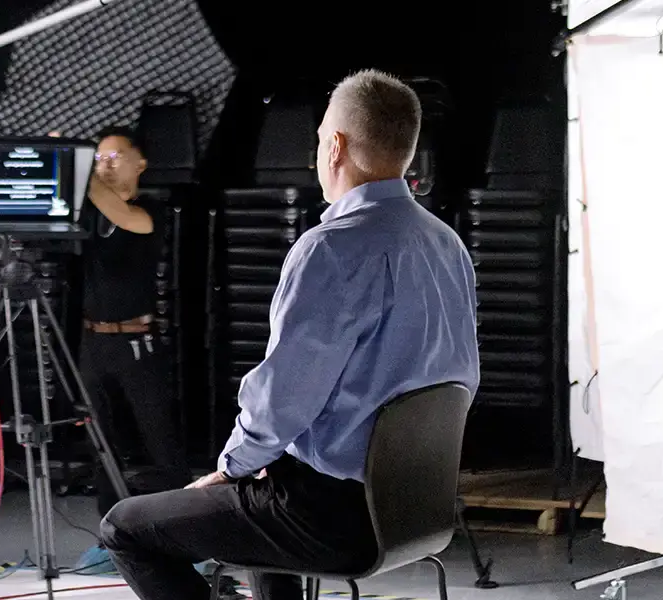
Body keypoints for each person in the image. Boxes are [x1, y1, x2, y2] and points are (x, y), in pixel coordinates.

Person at [98, 70, 480, 600]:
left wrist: (230, 468)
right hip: (417, 508)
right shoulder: (447, 244)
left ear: (336, 147)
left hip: (331, 518)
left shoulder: (330, 248)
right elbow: (461, 383)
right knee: (268, 475)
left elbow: (284, 398)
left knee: (126, 527)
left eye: (321, 136)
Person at [73, 127, 193, 571]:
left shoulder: (150, 209)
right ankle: (109, 540)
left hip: (136, 341)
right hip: (92, 341)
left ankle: (185, 536)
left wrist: (80, 168)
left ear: (139, 162)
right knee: (100, 442)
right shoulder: (89, 212)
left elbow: (124, 216)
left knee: (158, 437)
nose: (105, 165)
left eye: (114, 157)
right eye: (99, 158)